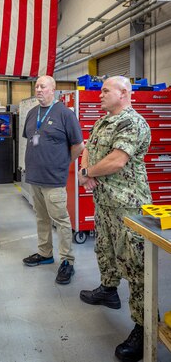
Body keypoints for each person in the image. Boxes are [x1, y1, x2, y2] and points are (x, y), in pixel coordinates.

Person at [78, 76, 152, 362]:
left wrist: (88, 174)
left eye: (105, 90)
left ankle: (144, 327)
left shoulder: (131, 122)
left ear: (123, 93)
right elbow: (88, 149)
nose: (99, 95)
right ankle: (108, 290)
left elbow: (117, 160)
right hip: (106, 203)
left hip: (128, 207)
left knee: (135, 265)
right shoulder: (103, 120)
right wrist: (86, 172)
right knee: (105, 250)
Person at [22, 75, 84, 284]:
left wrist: (64, 163)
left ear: (53, 89)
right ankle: (45, 253)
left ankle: (67, 261)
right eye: (36, 86)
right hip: (34, 177)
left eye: (43, 86)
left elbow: (78, 145)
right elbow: (32, 140)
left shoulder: (65, 114)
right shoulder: (32, 113)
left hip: (54, 179)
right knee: (41, 218)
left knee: (61, 221)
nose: (38, 89)